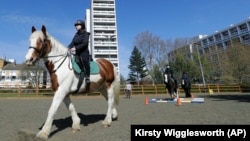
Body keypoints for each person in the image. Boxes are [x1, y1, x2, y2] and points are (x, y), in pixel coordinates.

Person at [68, 19, 90, 85]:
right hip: (77, 52)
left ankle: (87, 77)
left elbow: (85, 43)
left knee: (83, 60)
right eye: (76, 25)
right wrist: (67, 48)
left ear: (82, 26)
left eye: (77, 25)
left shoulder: (86, 34)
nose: (76, 26)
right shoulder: (76, 35)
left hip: (84, 52)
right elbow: (72, 43)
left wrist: (75, 48)